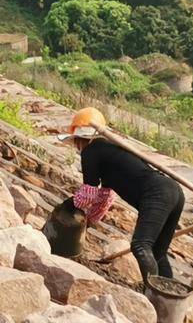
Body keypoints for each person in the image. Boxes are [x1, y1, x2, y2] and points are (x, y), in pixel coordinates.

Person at [59, 107, 184, 285]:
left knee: (141, 246)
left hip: (157, 193)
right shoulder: (111, 150)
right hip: (174, 191)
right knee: (157, 252)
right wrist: (90, 221)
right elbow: (105, 197)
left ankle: (153, 294)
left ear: (79, 138)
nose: (76, 148)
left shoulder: (91, 151)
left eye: (75, 143)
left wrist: (68, 205)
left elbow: (88, 194)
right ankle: (167, 296)